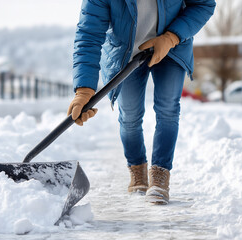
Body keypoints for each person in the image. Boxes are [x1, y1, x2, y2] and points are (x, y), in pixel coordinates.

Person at [67, 0, 216, 204]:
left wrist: (171, 37)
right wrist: (84, 89)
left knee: (168, 108)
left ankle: (160, 176)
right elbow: (89, 35)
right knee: (129, 115)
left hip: (171, 45)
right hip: (125, 53)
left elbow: (204, 4)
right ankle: (137, 171)